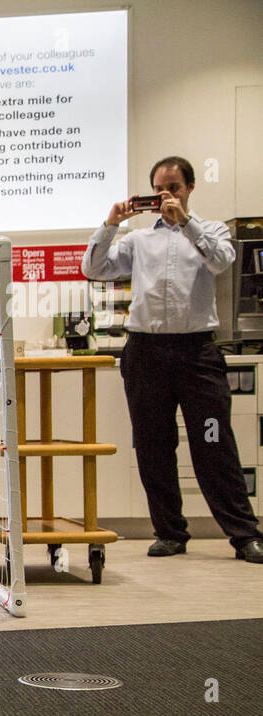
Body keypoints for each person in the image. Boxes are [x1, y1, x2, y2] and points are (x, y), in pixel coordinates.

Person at [82, 155, 263, 563]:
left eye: (174, 188)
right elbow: (93, 268)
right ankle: (170, 533)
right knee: (153, 446)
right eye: (160, 189)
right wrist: (111, 223)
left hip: (198, 353)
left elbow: (221, 262)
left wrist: (185, 222)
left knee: (214, 442)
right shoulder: (137, 240)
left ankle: (244, 535)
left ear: (190, 189)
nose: (167, 195)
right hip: (146, 353)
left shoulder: (210, 231)